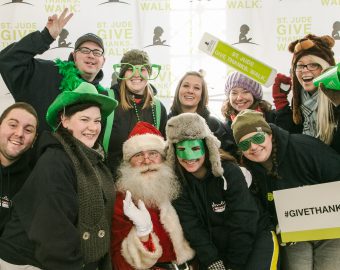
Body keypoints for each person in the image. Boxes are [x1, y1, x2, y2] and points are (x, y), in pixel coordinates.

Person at [0, 82, 118, 270]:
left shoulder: (91, 158)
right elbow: (54, 237)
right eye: (85, 119)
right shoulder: (56, 160)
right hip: (24, 261)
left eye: (97, 121)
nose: (93, 127)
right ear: (64, 119)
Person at [166, 113, 279, 270]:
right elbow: (192, 226)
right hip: (217, 248)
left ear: (207, 146)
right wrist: (213, 261)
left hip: (255, 236)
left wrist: (234, 265)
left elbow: (244, 218)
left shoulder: (229, 172)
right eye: (182, 149)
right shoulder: (177, 183)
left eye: (195, 148)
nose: (189, 156)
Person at [231, 109, 340, 270]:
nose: (253, 147)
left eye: (258, 138)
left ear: (269, 135)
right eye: (245, 144)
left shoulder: (304, 147)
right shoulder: (248, 172)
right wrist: (276, 221)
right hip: (294, 234)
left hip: (331, 230)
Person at [0, 8, 107, 133]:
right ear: (74, 57)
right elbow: (8, 60)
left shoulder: (102, 97)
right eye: (84, 50)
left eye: (97, 52)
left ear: (103, 61)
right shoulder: (47, 72)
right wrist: (45, 37)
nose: (91, 55)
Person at [111, 121, 195, 269]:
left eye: (153, 153)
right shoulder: (122, 200)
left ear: (163, 158)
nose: (147, 160)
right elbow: (118, 258)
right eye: (138, 155)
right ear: (128, 163)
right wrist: (143, 233)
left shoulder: (177, 188)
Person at [272, 34, 340, 154]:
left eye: (313, 64)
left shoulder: (336, 101)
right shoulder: (298, 101)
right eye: (300, 65)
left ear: (326, 68)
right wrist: (281, 104)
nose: (305, 70)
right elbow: (287, 145)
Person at [108, 49, 168, 174]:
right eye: (130, 69)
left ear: (149, 73)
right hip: (110, 181)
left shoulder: (158, 108)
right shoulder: (108, 100)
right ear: (123, 73)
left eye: (142, 69)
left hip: (147, 183)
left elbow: (164, 152)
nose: (136, 74)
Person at [169, 70, 237, 159]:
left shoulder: (214, 125)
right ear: (178, 90)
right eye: (186, 86)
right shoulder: (166, 123)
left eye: (196, 88)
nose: (190, 90)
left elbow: (230, 158)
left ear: (202, 95)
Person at [0, 102, 38, 236]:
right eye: (13, 125)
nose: (19, 133)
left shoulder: (32, 185)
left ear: (34, 139)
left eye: (28, 130)